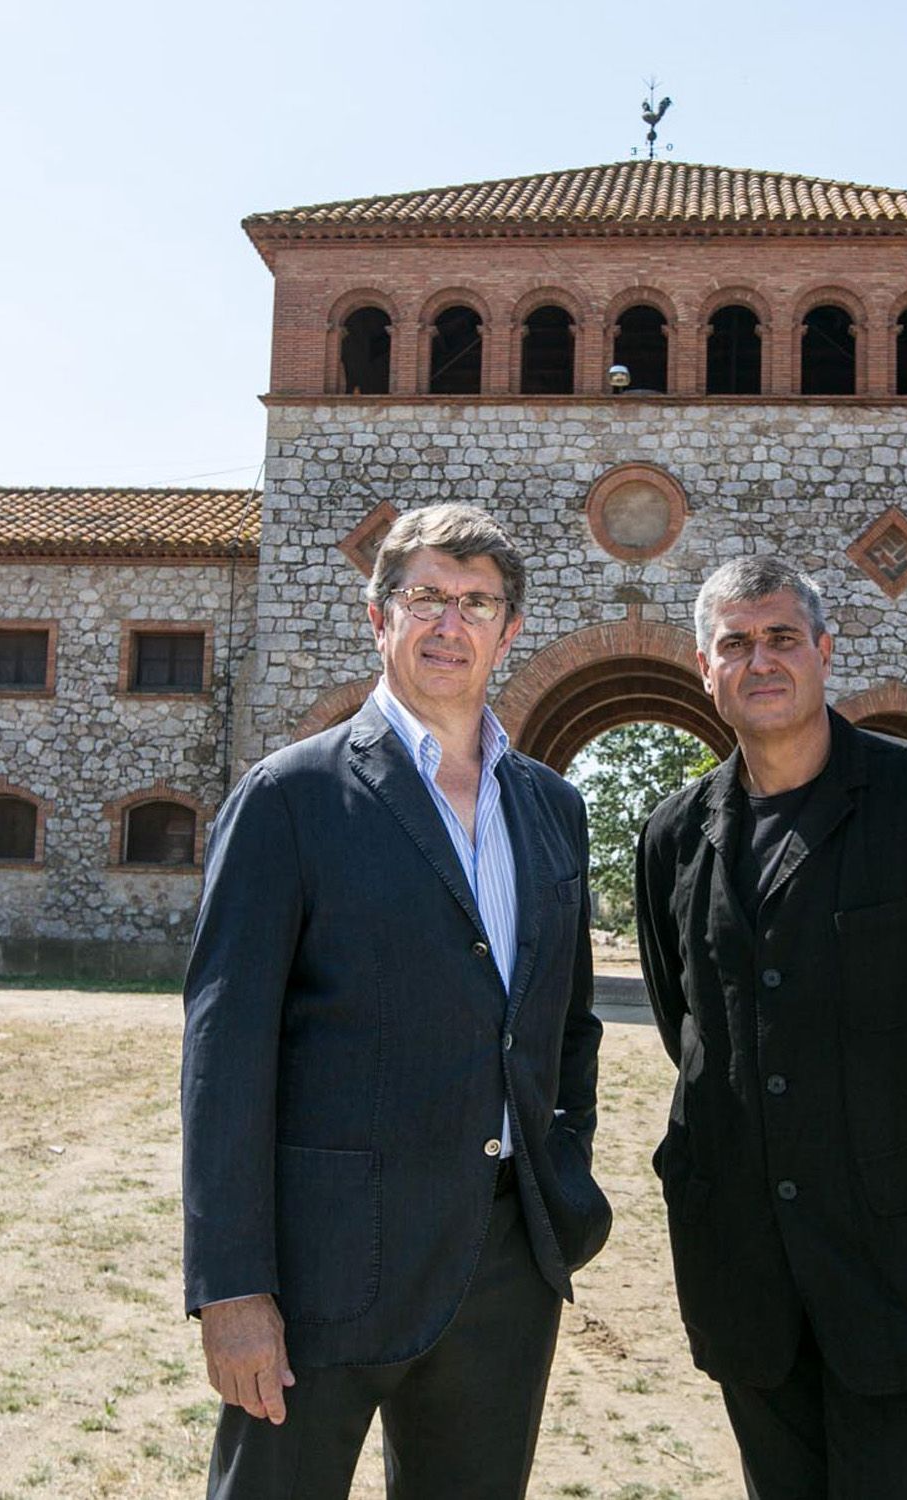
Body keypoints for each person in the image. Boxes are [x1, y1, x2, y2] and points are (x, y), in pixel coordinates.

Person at [180, 503, 611, 1500]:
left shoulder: (552, 808)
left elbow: (569, 1025)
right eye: (424, 599)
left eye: (475, 604)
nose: (448, 625)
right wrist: (232, 1288)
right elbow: (225, 1053)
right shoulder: (291, 799)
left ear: (509, 631)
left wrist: (564, 1172)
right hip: (323, 1266)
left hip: (505, 1265)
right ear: (379, 619)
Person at [634, 555, 907, 1500]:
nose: (762, 661)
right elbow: (688, 1024)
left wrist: (900, 1132)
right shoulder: (675, 835)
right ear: (704, 670)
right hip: (747, 1269)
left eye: (784, 636)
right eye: (735, 644)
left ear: (826, 650)